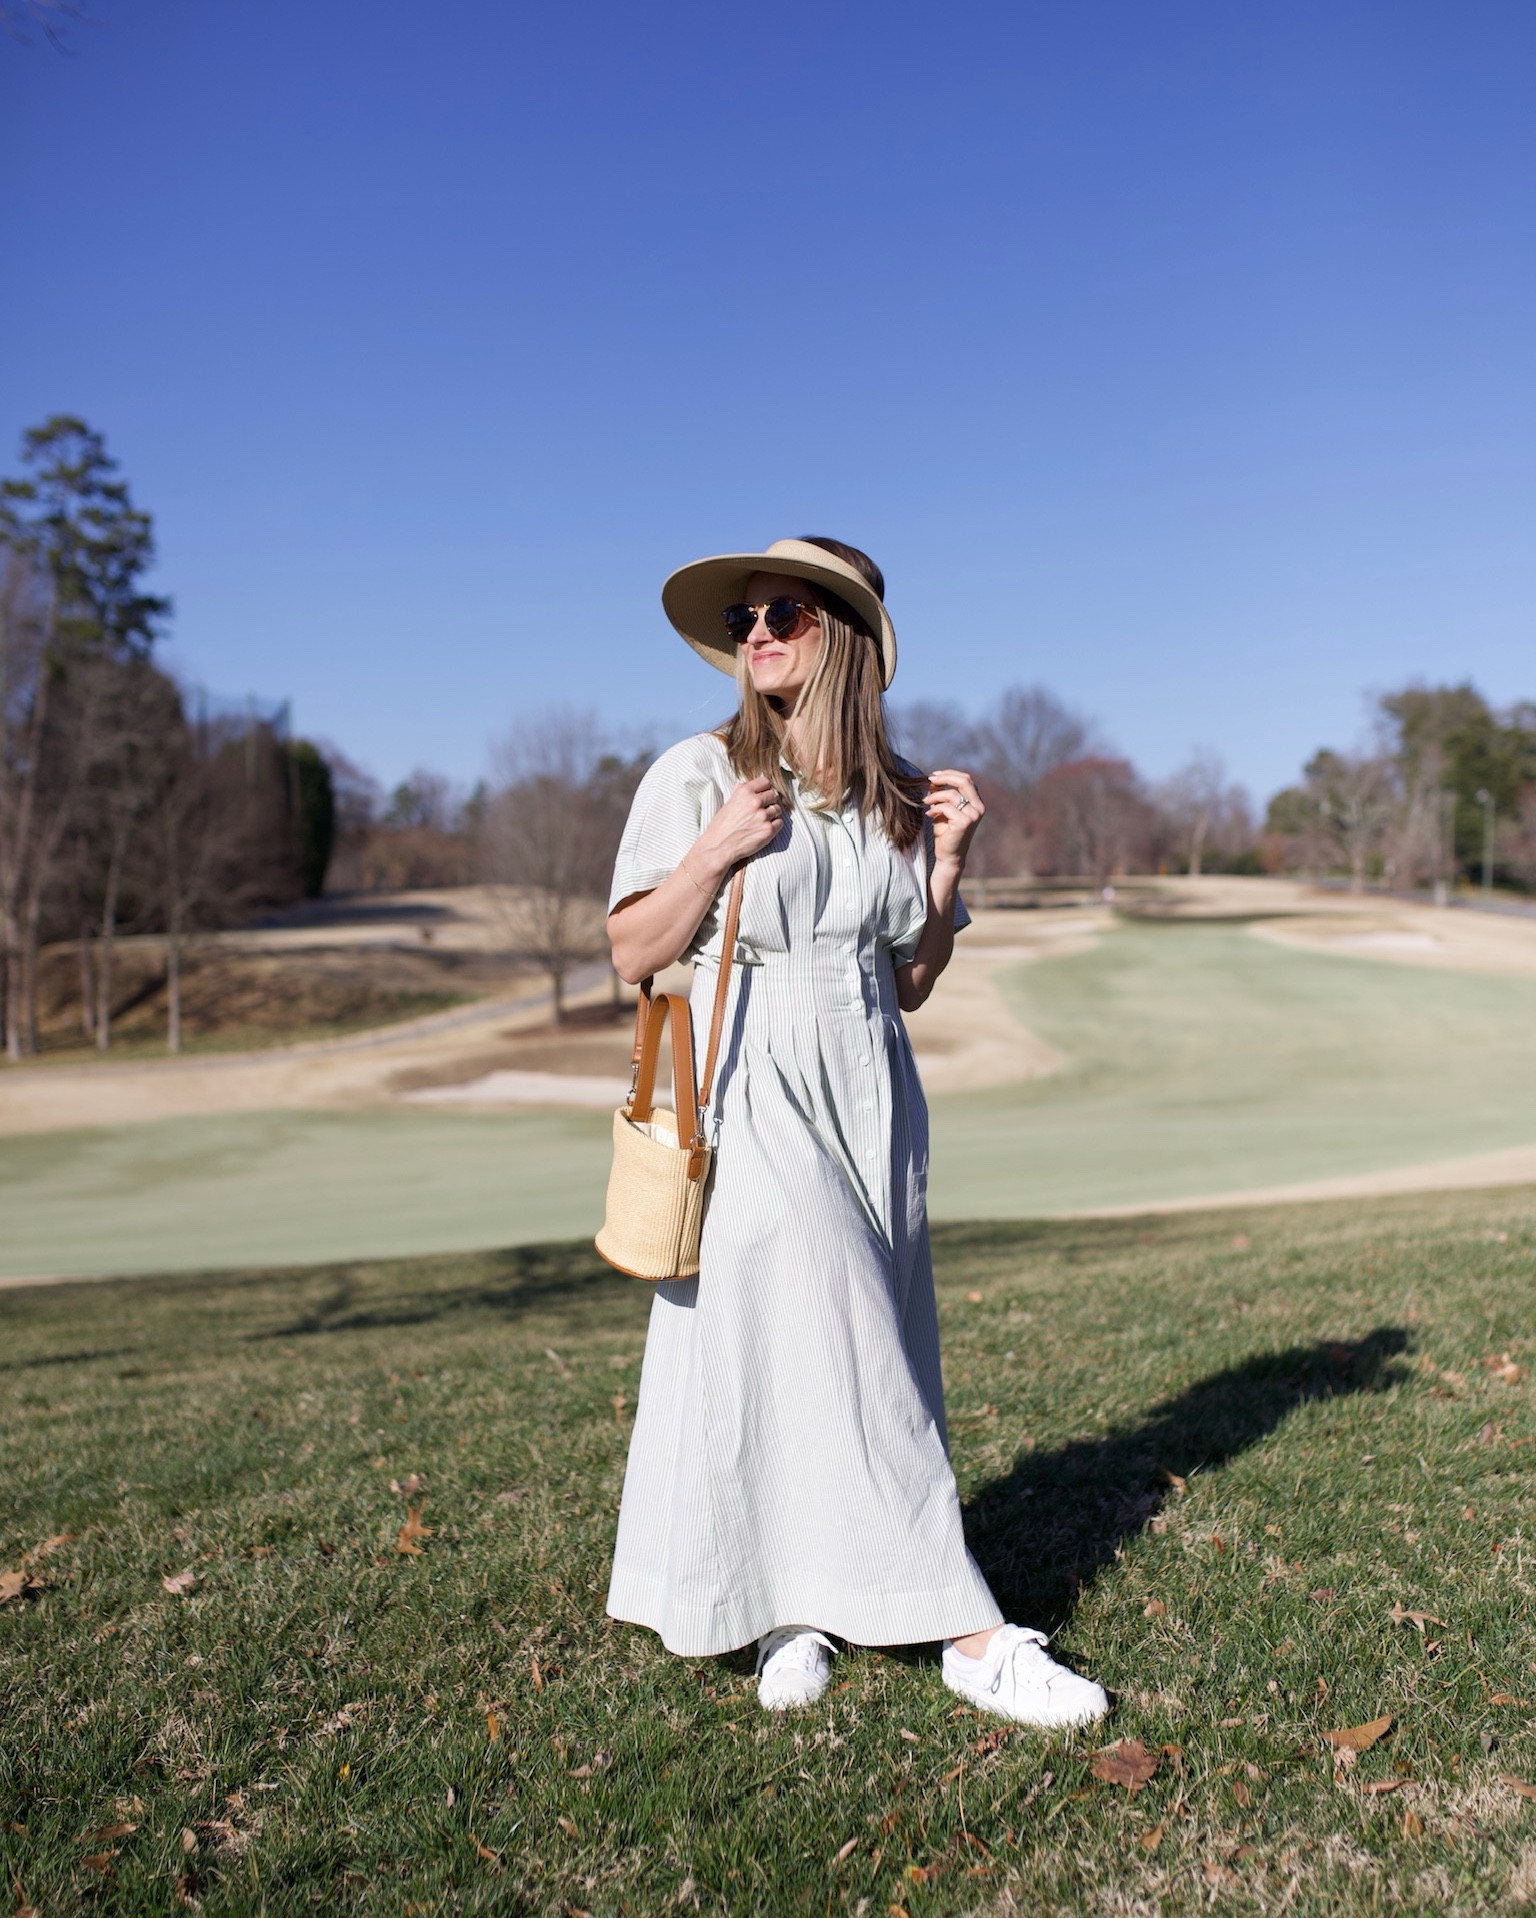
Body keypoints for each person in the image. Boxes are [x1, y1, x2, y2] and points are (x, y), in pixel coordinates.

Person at [604, 536, 1107, 1727]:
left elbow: (912, 979)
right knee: (832, 1309)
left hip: (871, 1072)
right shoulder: (699, 772)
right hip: (751, 1066)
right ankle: (971, 1635)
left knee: (834, 1333)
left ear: (845, 638)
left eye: (783, 613)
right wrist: (715, 849)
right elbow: (631, 950)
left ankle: (794, 1606)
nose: (757, 634)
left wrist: (948, 865)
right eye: (745, 618)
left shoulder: (900, 795)